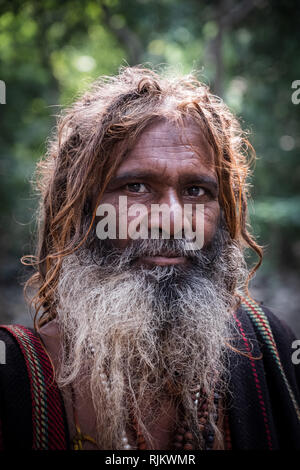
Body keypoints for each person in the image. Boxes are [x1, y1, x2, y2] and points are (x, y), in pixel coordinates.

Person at [0, 66, 299, 451]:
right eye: (136, 186)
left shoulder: (269, 348)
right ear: (78, 210)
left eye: (195, 190)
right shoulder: (13, 379)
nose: (172, 220)